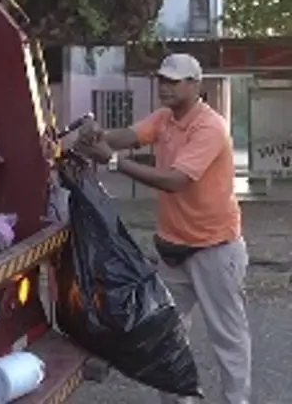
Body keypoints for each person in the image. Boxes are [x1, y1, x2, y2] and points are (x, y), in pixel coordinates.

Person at [76, 53, 250, 404]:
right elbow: (129, 134)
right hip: (174, 248)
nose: (165, 87)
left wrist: (111, 160)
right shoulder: (166, 119)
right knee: (165, 333)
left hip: (214, 248)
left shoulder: (209, 127)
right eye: (162, 80)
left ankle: (237, 400)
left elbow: (175, 181)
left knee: (227, 337)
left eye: (174, 80)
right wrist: (100, 135)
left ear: (195, 84)